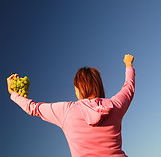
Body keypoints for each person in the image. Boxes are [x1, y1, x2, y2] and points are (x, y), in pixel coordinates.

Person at [7, 54, 135, 157]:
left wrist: (14, 94)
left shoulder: (66, 111)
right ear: (99, 85)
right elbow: (129, 87)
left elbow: (33, 107)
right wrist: (128, 64)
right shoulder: (115, 106)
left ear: (78, 89)